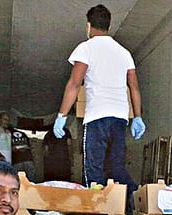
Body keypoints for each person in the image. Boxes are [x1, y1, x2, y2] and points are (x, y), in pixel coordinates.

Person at [52, 3, 145, 197]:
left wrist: (62, 115)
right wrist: (137, 117)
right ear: (108, 26)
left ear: (88, 25)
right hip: (120, 118)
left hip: (97, 117)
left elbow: (74, 84)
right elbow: (134, 87)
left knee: (94, 170)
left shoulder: (86, 48)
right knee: (116, 168)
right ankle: (136, 201)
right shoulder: (124, 52)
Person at [0, 112, 37, 183]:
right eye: (5, 119)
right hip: (0, 160)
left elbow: (8, 147)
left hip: (8, 162)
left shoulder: (8, 132)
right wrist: (1, 156)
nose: (6, 122)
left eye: (8, 120)